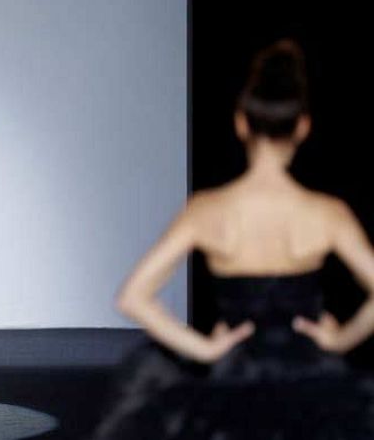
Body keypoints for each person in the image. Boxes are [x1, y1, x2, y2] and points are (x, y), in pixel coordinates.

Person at [89, 39, 374, 439]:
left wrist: (203, 349)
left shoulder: (207, 210)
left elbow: (133, 298)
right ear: (303, 126)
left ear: (241, 123)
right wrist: (340, 340)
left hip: (232, 381)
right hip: (314, 384)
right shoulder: (328, 213)